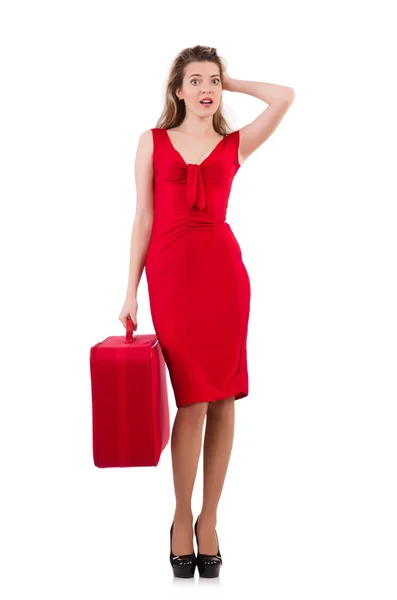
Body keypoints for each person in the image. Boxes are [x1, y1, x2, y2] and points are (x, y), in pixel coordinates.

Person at [119, 44, 295, 578]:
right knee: (191, 399)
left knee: (223, 397)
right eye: (194, 81)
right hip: (171, 278)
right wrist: (129, 291)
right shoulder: (151, 143)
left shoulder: (233, 144)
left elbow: (285, 96)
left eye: (211, 81)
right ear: (177, 91)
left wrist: (234, 82)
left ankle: (210, 519)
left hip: (224, 278)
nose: (204, 89)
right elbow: (143, 219)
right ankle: (179, 516)